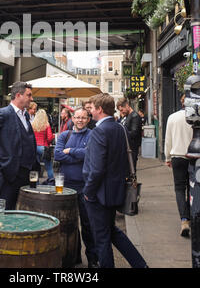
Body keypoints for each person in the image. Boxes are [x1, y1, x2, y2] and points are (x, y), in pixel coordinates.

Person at [83, 93, 148, 268]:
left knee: (102, 238)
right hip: (115, 190)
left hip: (98, 193)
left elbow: (96, 169)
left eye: (92, 108)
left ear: (100, 109)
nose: (90, 111)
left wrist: (88, 192)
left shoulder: (99, 131)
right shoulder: (120, 128)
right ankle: (140, 264)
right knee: (111, 231)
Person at [0, 81, 38, 210]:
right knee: (7, 210)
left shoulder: (25, 114)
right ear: (18, 95)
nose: (31, 99)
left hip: (26, 172)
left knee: (23, 209)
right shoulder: (3, 113)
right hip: (10, 171)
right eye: (29, 95)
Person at [54, 107, 98, 268]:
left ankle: (92, 258)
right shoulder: (65, 135)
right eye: (77, 117)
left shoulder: (92, 134)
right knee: (68, 224)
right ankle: (73, 256)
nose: (80, 120)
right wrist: (79, 157)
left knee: (87, 224)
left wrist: (71, 151)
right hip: (66, 187)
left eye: (83, 117)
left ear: (88, 119)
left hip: (85, 186)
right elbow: (58, 155)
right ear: (72, 118)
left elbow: (91, 154)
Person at [164, 94, 193, 237]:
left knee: (180, 189)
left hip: (177, 157)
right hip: (194, 158)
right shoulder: (196, 118)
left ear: (181, 103)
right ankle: (192, 215)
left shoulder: (172, 117)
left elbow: (168, 139)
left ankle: (184, 220)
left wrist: (167, 156)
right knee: (193, 189)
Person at [116, 98, 142, 172]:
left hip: (132, 149)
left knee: (131, 171)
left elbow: (134, 133)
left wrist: (120, 134)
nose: (121, 112)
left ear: (127, 105)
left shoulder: (134, 116)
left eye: (122, 110)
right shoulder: (127, 116)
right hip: (127, 148)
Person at [32, 109, 54, 180]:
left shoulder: (32, 124)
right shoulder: (46, 125)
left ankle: (36, 183)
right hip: (43, 148)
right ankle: (51, 181)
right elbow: (50, 137)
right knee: (49, 166)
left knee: (35, 167)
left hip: (34, 147)